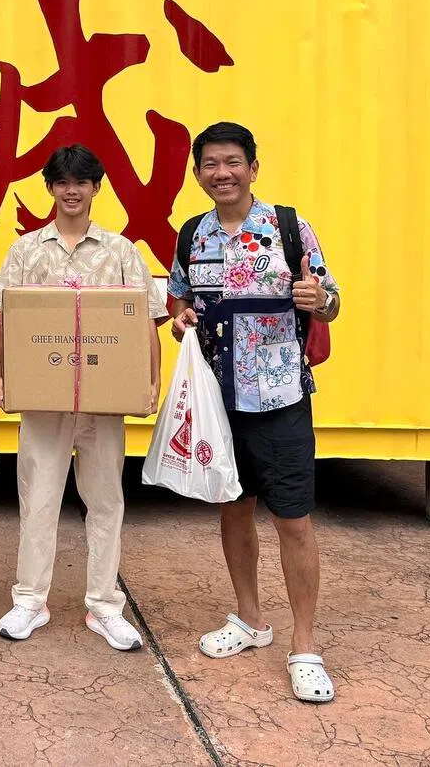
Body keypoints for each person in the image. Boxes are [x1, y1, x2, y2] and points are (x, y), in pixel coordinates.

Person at [168, 121, 341, 704]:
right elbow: (180, 298)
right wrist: (180, 319)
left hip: (279, 398)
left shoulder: (289, 227)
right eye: (211, 164)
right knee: (232, 510)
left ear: (252, 167)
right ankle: (248, 620)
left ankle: (305, 646)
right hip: (219, 404)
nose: (223, 173)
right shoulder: (192, 234)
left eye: (233, 162)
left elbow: (332, 298)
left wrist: (322, 300)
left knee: (292, 520)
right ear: (198, 174)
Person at [0, 145, 166, 650]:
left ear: (96, 187)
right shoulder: (25, 250)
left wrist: (150, 382)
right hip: (44, 403)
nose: (71, 190)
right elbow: (2, 316)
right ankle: (29, 601)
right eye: (62, 181)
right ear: (50, 188)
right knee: (38, 499)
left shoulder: (121, 250)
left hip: (104, 402)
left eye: (81, 181)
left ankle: (104, 606)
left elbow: (146, 321)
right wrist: (0, 378)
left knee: (105, 500)